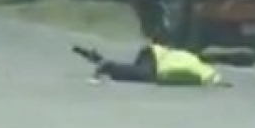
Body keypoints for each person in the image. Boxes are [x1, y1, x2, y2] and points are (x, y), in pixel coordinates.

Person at [72, 41, 223, 86]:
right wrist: (220, 83)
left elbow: (212, 76)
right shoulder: (199, 66)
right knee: (143, 75)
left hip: (153, 55)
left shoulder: (193, 60)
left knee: (137, 72)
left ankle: (98, 59)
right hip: (155, 56)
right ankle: (106, 66)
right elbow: (212, 76)